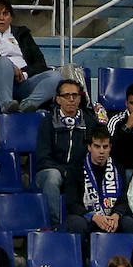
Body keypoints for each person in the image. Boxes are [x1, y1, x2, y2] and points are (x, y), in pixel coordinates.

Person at [0, 0, 58, 113]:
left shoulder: (23, 33)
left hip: (21, 82)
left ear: (11, 17)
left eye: (5, 14)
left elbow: (40, 62)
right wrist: (11, 68)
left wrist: (25, 74)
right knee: (3, 62)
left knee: (56, 76)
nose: (2, 18)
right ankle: (7, 105)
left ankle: (28, 104)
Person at [35, 79, 92, 230]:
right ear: (58, 99)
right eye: (66, 95)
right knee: (54, 177)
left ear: (80, 98)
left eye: (75, 95)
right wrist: (63, 170)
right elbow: (43, 156)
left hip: (78, 172)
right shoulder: (48, 122)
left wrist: (74, 172)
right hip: (50, 171)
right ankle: (56, 225)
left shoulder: (89, 122)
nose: (71, 99)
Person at [65, 126, 133, 239]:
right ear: (89, 147)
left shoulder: (118, 168)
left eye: (105, 147)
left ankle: (126, 257)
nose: (101, 151)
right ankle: (83, 257)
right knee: (76, 223)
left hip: (111, 218)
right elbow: (72, 203)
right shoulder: (76, 168)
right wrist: (94, 217)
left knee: (129, 224)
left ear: (110, 147)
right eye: (97, 146)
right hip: (87, 217)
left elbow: (124, 199)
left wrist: (115, 216)